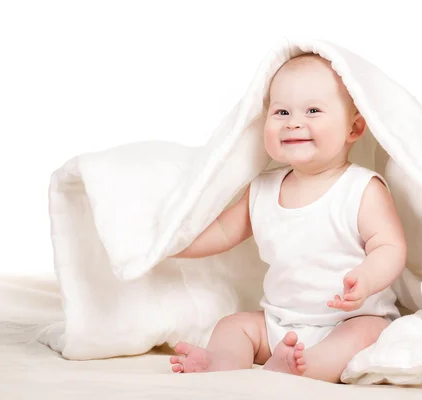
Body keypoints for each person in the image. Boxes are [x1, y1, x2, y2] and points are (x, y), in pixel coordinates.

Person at [168, 53, 407, 383]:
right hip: (278, 322)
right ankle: (223, 363)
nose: (293, 122)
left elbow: (390, 247)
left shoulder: (361, 189)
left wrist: (366, 278)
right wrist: (174, 244)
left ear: (353, 128)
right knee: (234, 326)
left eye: (313, 111)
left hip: (350, 318)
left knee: (368, 335)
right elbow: (223, 231)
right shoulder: (262, 189)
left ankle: (306, 366)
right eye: (281, 112)